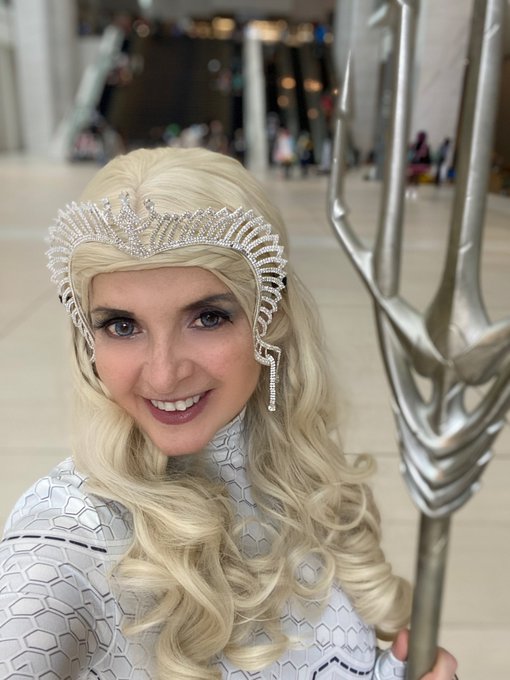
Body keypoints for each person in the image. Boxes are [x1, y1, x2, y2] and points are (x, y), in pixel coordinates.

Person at [0, 147, 458, 679]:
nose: (163, 374)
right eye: (122, 326)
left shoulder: (307, 484)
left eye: (208, 318)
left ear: (271, 318)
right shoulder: (66, 534)